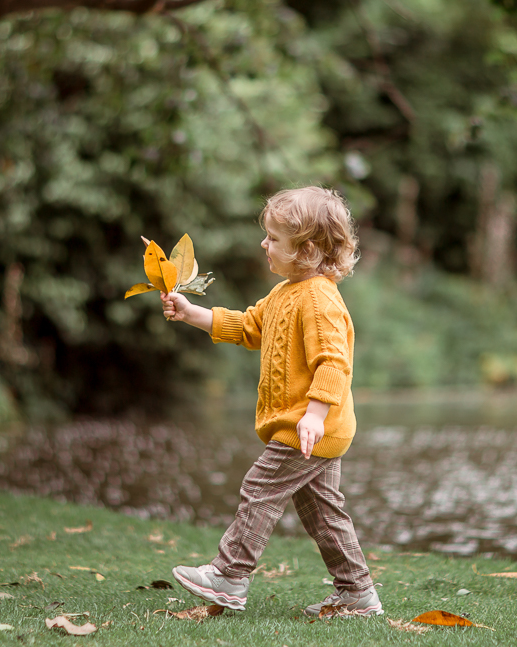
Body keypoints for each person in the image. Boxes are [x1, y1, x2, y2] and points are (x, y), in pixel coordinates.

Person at [159, 186, 382, 617]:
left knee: (259, 489)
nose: (264, 244)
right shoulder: (285, 293)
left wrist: (315, 414)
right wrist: (191, 313)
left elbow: (334, 363)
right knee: (323, 513)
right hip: (309, 427)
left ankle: (230, 575)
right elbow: (247, 327)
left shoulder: (318, 298)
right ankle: (358, 594)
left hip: (310, 425)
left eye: (274, 238)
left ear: (309, 249)